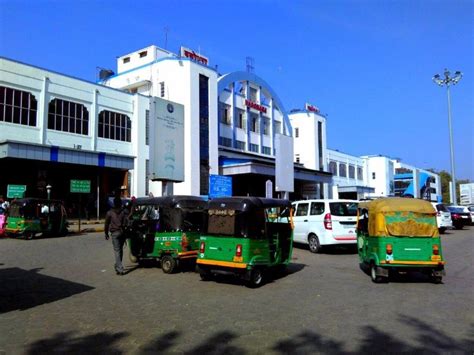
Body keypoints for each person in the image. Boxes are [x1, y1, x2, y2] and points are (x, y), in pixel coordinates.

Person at [104, 197, 128, 275]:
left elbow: (106, 224)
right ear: (120, 203)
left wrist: (106, 233)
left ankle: (120, 268)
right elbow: (125, 223)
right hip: (121, 232)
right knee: (120, 250)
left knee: (117, 251)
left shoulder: (109, 212)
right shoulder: (123, 212)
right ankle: (118, 266)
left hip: (114, 233)